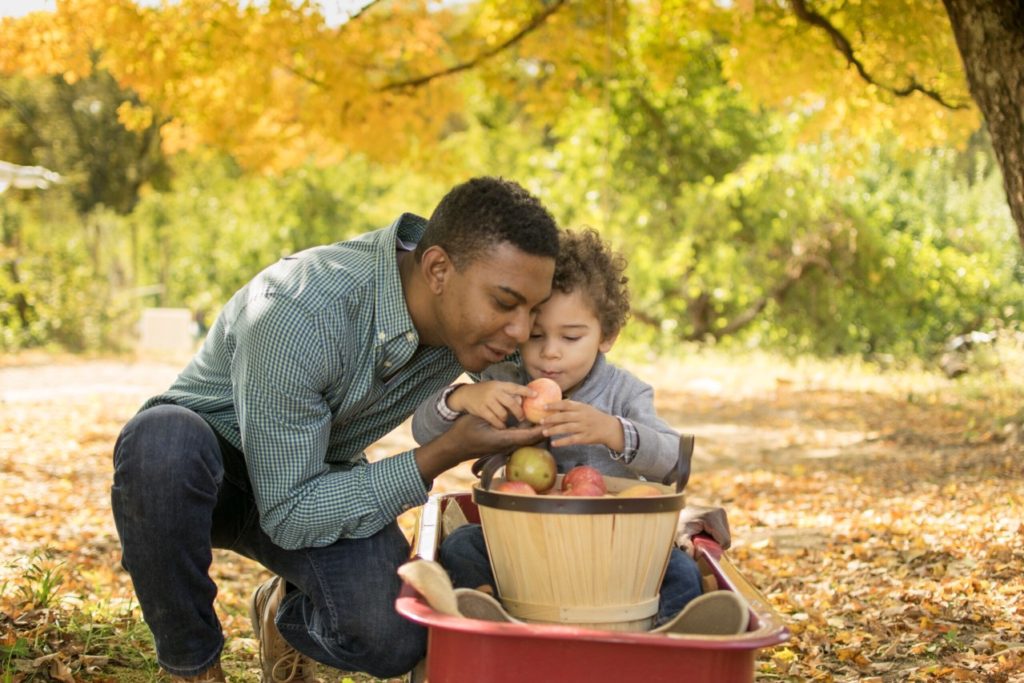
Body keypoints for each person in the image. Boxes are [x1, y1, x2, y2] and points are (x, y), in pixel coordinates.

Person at [110, 177, 562, 683]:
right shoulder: (301, 312)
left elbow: (546, 389)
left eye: (532, 310)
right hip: (211, 471)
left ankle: (285, 612)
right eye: (505, 303)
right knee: (161, 443)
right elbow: (288, 513)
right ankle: (193, 665)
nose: (522, 331)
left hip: (319, 473)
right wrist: (442, 452)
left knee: (394, 637)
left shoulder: (471, 321)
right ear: (437, 269)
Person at [412, 228, 733, 628]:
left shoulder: (624, 393)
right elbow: (424, 432)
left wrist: (614, 431)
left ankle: (670, 635)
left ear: (607, 335)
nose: (550, 351)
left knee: (678, 571)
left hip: (614, 551)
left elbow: (673, 461)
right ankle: (490, 609)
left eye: (571, 336)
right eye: (536, 336)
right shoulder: (504, 383)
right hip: (526, 549)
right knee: (462, 546)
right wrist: (461, 398)